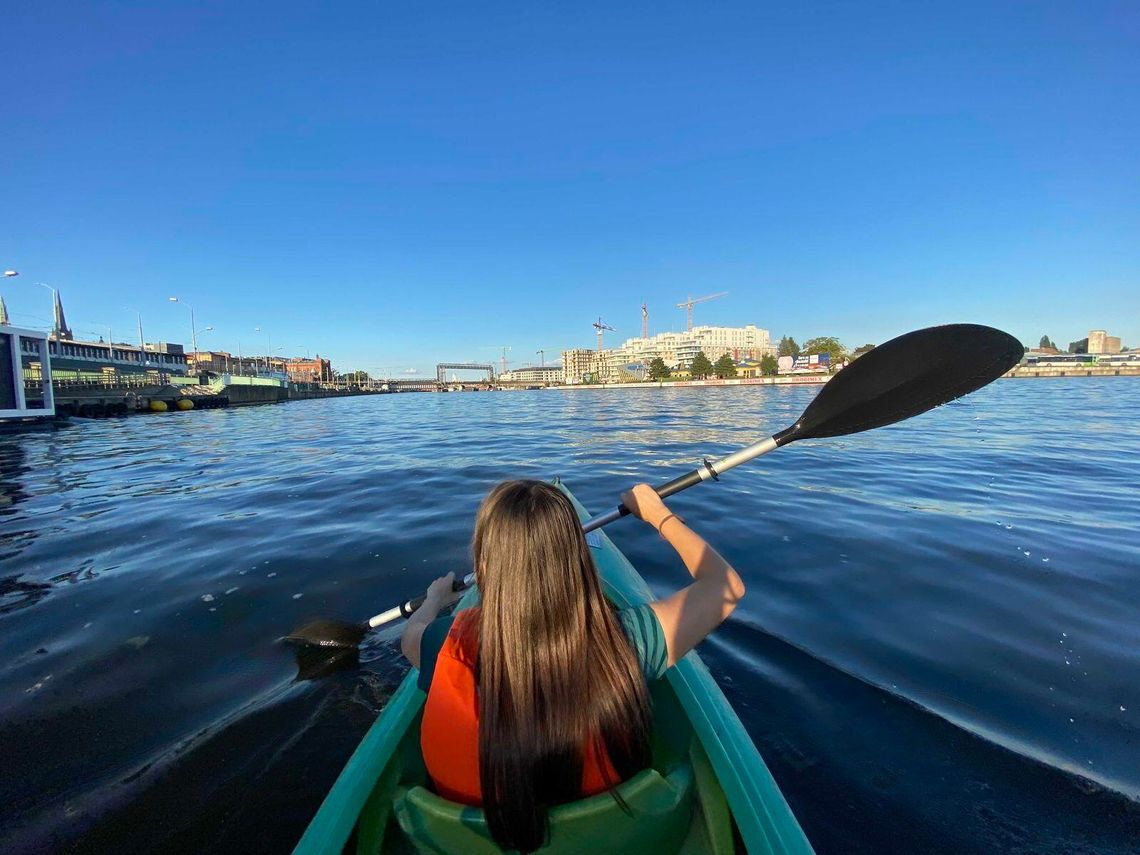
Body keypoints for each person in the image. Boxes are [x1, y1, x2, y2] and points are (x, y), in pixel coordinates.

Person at [400, 479, 745, 852]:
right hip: (611, 840)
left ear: (484, 564)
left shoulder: (443, 644)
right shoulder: (630, 640)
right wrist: (657, 514)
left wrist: (434, 600)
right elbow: (726, 585)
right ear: (578, 558)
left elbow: (410, 638)